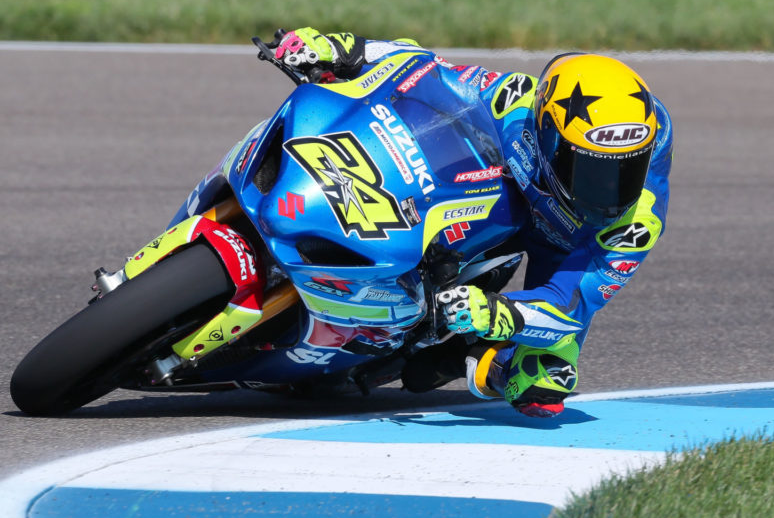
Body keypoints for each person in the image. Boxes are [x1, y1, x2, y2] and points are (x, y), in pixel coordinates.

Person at [273, 28, 674, 418]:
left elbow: (570, 306)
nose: (608, 192)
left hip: (571, 252)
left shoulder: (634, 226)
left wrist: (496, 313)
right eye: (589, 170)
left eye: (627, 171)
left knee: (544, 382)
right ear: (548, 136)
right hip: (503, 204)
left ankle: (467, 351)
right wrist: (342, 49)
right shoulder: (514, 101)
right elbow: (422, 67)